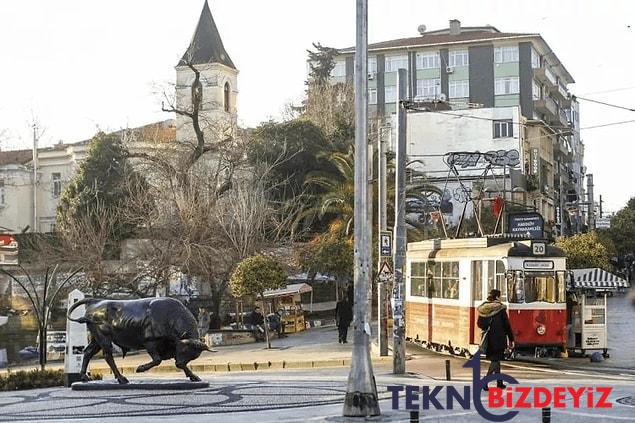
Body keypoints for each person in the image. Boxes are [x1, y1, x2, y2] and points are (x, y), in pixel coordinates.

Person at [477, 289, 514, 391]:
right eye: (500, 296)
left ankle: (499, 383)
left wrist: (488, 325)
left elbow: (480, 324)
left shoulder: (484, 308)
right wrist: (511, 338)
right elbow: (506, 325)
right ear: (497, 297)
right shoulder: (501, 309)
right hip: (498, 338)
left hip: (489, 338)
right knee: (495, 360)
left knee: (496, 360)